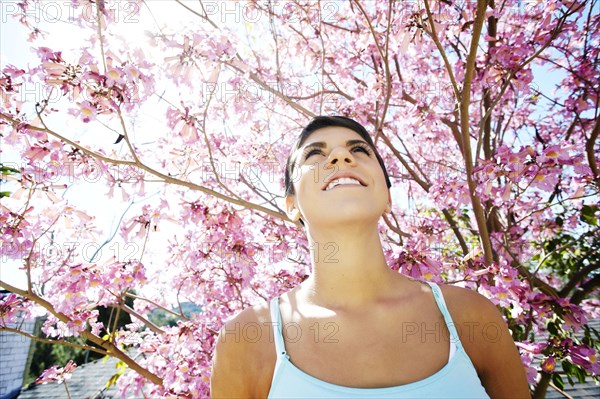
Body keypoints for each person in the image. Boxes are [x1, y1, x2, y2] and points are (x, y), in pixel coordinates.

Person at [210, 116, 531, 398]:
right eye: (315, 153)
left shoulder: (470, 316)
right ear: (291, 205)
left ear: (388, 196)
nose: (340, 156)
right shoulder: (248, 338)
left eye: (359, 150)